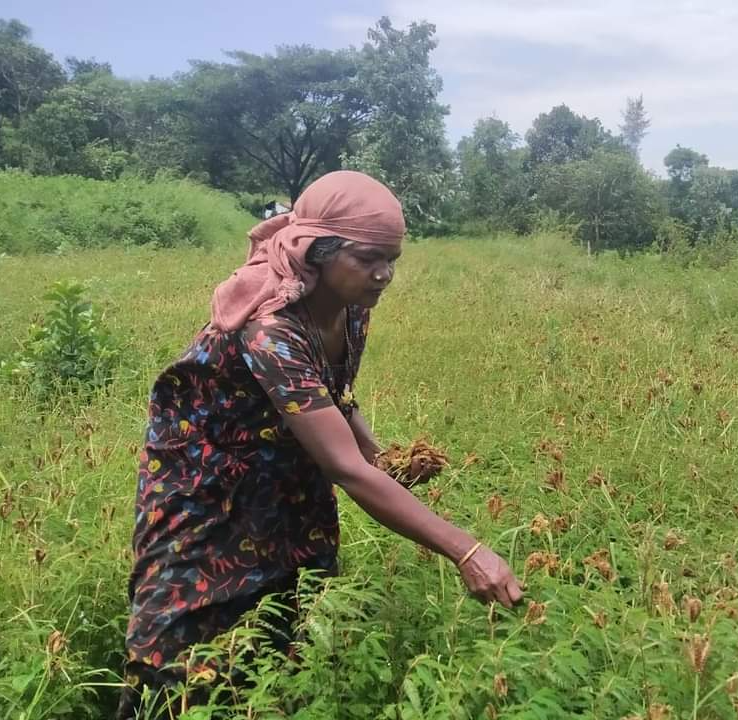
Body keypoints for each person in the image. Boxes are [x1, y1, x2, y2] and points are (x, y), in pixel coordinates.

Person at [117, 171, 523, 718]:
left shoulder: (351, 310)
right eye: (368, 258)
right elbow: (344, 468)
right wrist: (467, 550)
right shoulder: (270, 329)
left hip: (283, 473)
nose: (384, 275)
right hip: (207, 487)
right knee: (179, 639)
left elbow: (335, 397)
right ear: (317, 250)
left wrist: (383, 457)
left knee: (285, 616)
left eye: (392, 259)